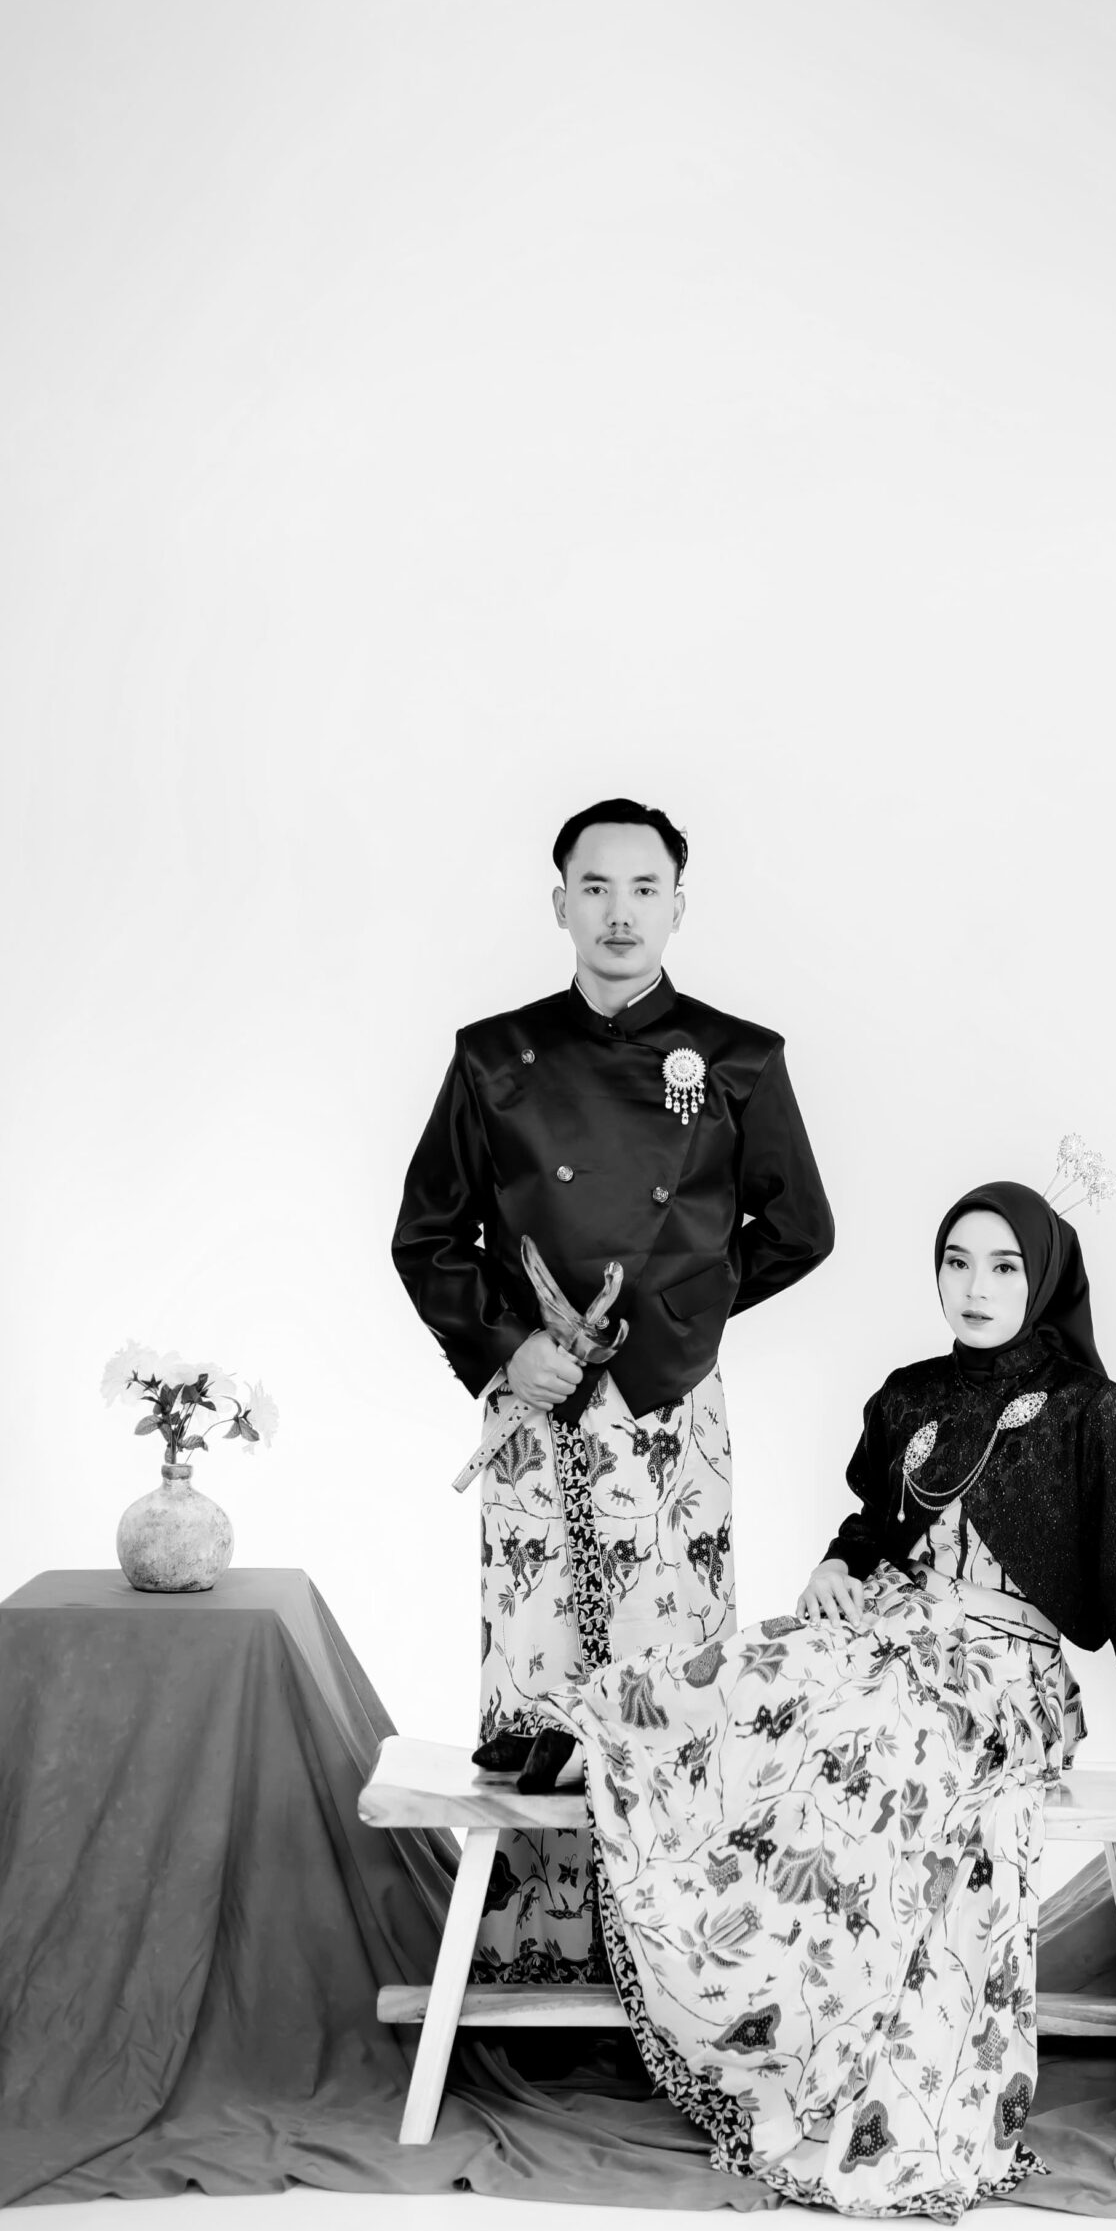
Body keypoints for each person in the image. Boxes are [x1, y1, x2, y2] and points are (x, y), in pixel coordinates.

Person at [548, 1179, 1116, 2216]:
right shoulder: (907, 1395)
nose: (975, 1288)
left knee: (875, 1742)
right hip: (892, 1628)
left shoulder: (1087, 1409)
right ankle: (618, 1746)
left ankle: (857, 2067)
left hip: (1001, 1674)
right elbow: (871, 1525)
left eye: (1003, 1267)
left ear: (1042, 1278)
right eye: (956, 1262)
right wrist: (837, 1566)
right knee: (762, 1669)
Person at [391, 797, 834, 1980]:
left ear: (678, 905)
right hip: (534, 1409)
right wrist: (505, 1350)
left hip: (668, 1413)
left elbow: (798, 1229)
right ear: (560, 905)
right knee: (537, 1681)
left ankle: (678, 1976)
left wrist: (670, 1327)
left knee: (669, 1684)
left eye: (644, 888)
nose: (619, 912)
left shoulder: (738, 1058)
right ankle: (532, 1964)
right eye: (595, 887)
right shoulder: (492, 1056)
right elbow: (426, 1237)